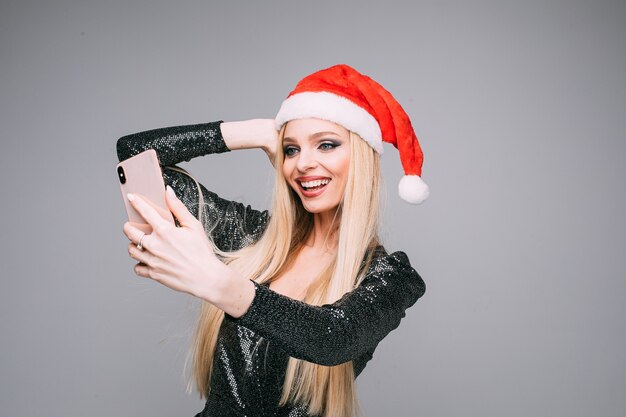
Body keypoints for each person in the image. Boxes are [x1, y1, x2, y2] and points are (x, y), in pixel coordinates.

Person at [116, 64, 428, 417]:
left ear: (362, 156)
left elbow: (332, 338)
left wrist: (216, 282)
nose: (303, 163)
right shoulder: (251, 235)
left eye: (326, 145)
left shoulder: (389, 277)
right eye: (291, 150)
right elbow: (134, 155)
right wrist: (254, 132)